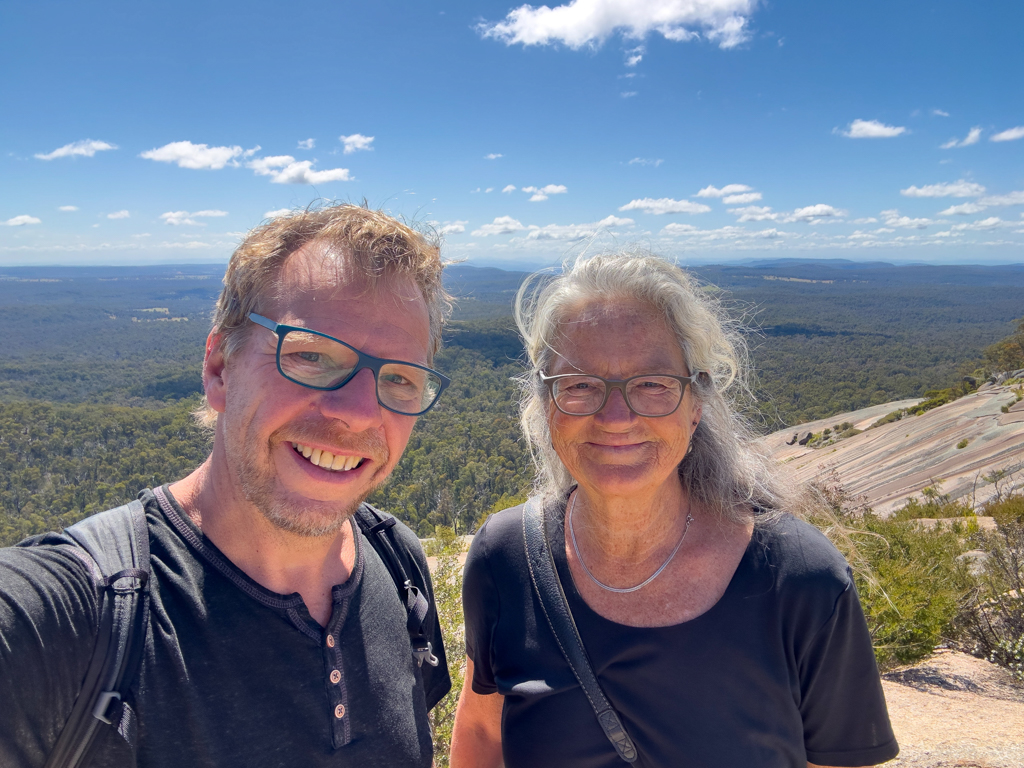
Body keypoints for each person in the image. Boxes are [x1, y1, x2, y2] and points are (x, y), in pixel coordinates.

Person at [0, 204, 452, 767]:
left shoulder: (398, 565)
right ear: (219, 368)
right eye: (311, 355)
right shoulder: (69, 621)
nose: (360, 412)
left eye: (400, 379)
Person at [450, 251, 899, 768]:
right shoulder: (506, 557)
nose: (616, 417)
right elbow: (483, 738)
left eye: (653, 384)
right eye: (578, 385)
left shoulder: (799, 578)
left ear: (696, 403)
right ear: (546, 405)